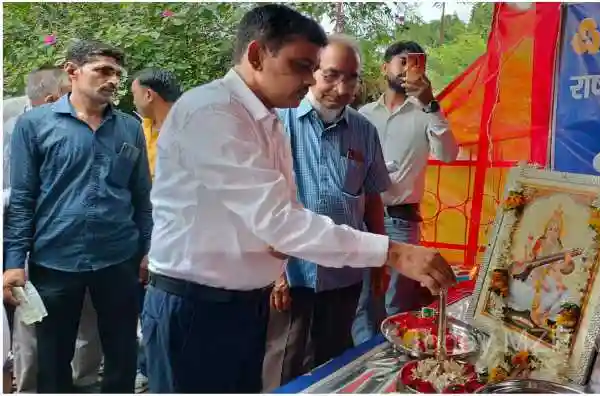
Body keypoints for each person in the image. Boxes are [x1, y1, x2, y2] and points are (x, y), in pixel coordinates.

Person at [143, 4, 455, 393]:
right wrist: (394, 252)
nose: (310, 79)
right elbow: (281, 222)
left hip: (241, 303)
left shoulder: (266, 117)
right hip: (198, 307)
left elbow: (282, 221)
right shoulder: (213, 112)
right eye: (301, 66)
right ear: (257, 55)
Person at [3, 40, 152, 393]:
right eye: (102, 70)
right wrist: (13, 262)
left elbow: (141, 197)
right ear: (72, 72)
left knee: (121, 352)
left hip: (119, 258)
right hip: (55, 259)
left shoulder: (128, 127)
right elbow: (23, 199)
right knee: (53, 357)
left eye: (117, 73)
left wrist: (147, 249)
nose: (112, 80)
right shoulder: (36, 125)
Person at [262, 35, 390, 391]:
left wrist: (381, 261)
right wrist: (276, 274)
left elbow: (372, 199)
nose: (343, 87)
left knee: (333, 363)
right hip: (291, 275)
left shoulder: (364, 131)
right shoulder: (277, 123)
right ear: (311, 73)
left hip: (344, 274)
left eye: (351, 77)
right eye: (332, 75)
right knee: (282, 366)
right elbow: (261, 204)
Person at [3, 66, 106, 393]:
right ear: (51, 99)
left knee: (88, 318)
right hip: (32, 243)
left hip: (84, 243)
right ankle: (33, 386)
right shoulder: (16, 127)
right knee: (32, 322)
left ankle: (83, 382)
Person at [353, 41, 460, 345]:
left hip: (400, 220)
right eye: (401, 62)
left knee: (395, 303)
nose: (407, 69)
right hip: (360, 218)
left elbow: (449, 154)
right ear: (384, 67)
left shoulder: (426, 112)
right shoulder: (363, 114)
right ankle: (363, 375)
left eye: (415, 63)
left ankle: (392, 372)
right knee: (362, 302)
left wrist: (431, 105)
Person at [129, 66, 182, 391]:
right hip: (142, 233)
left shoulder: (189, 132)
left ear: (149, 94)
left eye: (134, 94)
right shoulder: (142, 128)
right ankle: (147, 368)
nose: (132, 101)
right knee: (144, 311)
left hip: (173, 243)